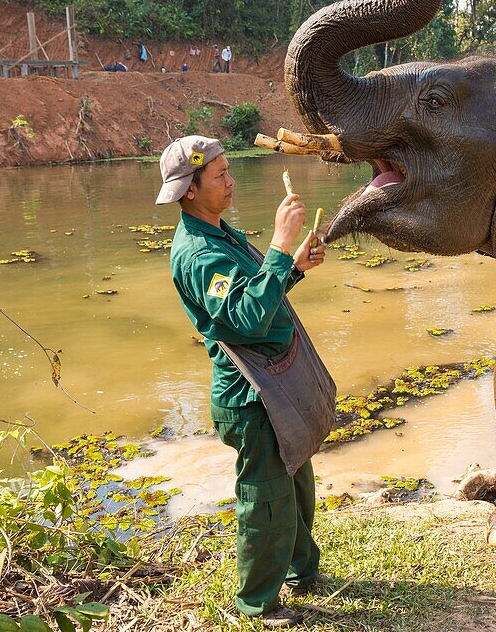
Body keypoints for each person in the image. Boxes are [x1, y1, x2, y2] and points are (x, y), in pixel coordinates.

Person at [156, 136, 325, 629]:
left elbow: (255, 296)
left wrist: (291, 269)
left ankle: (300, 571)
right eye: (221, 176)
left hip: (274, 383)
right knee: (266, 500)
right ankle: (258, 602)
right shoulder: (198, 254)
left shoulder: (220, 233)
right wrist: (278, 245)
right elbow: (248, 320)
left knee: (296, 482)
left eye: (230, 171)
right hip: (250, 394)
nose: (231, 182)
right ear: (190, 190)